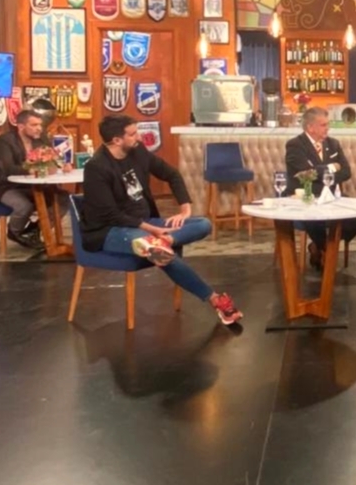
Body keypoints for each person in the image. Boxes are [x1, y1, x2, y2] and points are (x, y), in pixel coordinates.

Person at [79, 114, 242, 326]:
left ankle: (163, 241)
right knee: (161, 254)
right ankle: (215, 300)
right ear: (116, 140)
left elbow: (171, 174)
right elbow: (111, 214)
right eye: (133, 134)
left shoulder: (137, 151)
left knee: (203, 224)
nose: (139, 137)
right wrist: (152, 230)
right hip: (111, 230)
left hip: (147, 224)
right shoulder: (96, 167)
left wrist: (185, 209)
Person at [285, 106, 356, 271]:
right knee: (314, 218)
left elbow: (346, 172)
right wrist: (332, 167)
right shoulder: (295, 145)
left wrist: (322, 175)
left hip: (331, 196)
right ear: (310, 127)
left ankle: (322, 246)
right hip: (306, 197)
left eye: (328, 124)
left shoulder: (333, 144)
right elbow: (306, 173)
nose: (328, 128)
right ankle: (326, 250)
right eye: (323, 125)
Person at [0, 108, 71, 250]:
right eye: (34, 125)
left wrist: (62, 165)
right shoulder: (6, 140)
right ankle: (14, 232)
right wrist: (31, 170)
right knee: (24, 206)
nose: (39, 128)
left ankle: (35, 229)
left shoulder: (41, 138)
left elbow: (53, 157)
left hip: (32, 186)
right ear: (21, 126)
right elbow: (8, 168)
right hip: (6, 186)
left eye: (40, 125)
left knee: (63, 198)